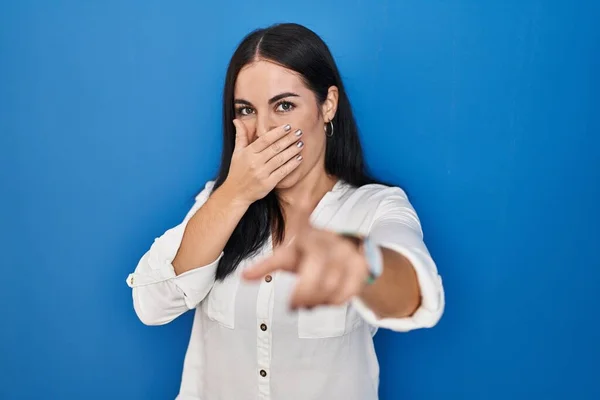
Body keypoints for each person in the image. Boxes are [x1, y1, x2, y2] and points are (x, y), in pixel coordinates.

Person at [126, 22, 445, 400]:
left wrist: (361, 263)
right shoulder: (218, 201)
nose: (264, 131)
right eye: (246, 110)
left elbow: (412, 294)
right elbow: (152, 304)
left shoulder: (375, 206)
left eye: (284, 106)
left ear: (327, 105)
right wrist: (235, 194)